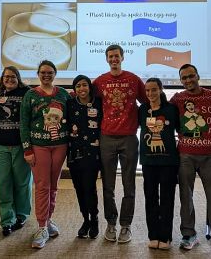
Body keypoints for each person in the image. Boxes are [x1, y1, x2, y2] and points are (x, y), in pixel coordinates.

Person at [170, 63, 211, 257]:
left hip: (209, 156)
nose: (188, 80)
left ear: (198, 76)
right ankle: (189, 234)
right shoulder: (177, 99)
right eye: (184, 78)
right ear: (181, 81)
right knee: (185, 197)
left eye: (191, 76)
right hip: (185, 155)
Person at [93, 44, 147, 243]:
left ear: (122, 57)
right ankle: (111, 222)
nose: (114, 59)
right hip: (106, 138)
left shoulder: (133, 79)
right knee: (108, 185)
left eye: (117, 56)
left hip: (129, 138)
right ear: (107, 59)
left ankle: (126, 225)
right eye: (110, 56)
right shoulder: (100, 81)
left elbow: (147, 102)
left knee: (129, 185)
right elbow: (88, 101)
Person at [20, 60, 70, 249]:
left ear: (55, 73)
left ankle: (48, 220)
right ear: (38, 74)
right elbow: (24, 124)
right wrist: (27, 149)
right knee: (42, 186)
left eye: (50, 72)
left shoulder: (64, 94)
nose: (46, 75)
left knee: (53, 186)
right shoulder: (30, 95)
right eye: (43, 72)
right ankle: (41, 226)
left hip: (60, 145)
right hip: (39, 146)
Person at [0, 66, 32, 237]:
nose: (9, 79)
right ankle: (7, 220)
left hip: (21, 146)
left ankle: (21, 215)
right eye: (6, 77)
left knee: (22, 183)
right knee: (4, 183)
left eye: (13, 77)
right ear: (2, 79)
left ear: (18, 78)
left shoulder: (27, 93)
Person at [138, 78, 179, 250]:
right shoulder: (142, 110)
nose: (150, 94)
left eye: (153, 90)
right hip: (148, 161)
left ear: (161, 90)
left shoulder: (171, 110)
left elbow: (179, 130)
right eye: (147, 91)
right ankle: (153, 235)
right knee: (151, 198)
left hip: (168, 162)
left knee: (167, 199)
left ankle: (165, 236)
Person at [66, 75, 102, 239]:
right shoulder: (70, 104)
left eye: (84, 85)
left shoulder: (98, 103)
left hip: (92, 154)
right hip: (74, 153)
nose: (81, 89)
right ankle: (85, 220)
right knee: (79, 189)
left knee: (89, 188)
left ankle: (94, 219)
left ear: (90, 87)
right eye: (78, 86)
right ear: (74, 89)